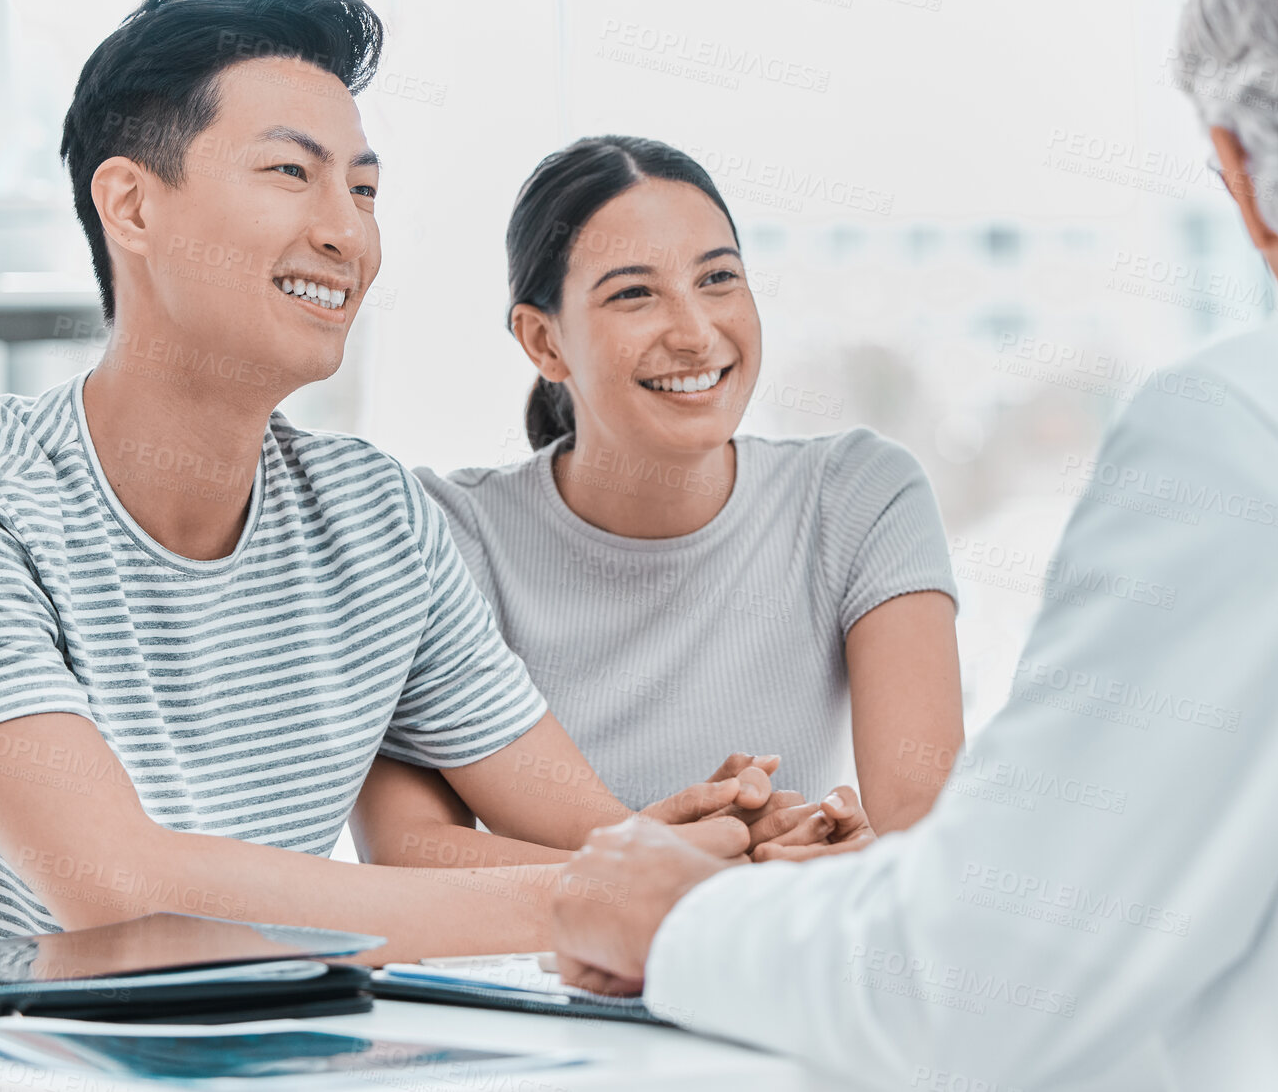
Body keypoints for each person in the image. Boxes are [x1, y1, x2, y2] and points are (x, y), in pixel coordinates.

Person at [549, 0, 1278, 1086]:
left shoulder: (1269, 425)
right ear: (538, 340)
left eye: (719, 276)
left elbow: (984, 976)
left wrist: (675, 916)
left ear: (1242, 171)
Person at [0, 0, 782, 963]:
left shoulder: (376, 519)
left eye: (363, 190)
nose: (347, 232)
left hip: (244, 1051)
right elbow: (116, 888)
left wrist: (746, 857)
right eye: (291, 172)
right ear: (131, 205)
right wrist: (595, 898)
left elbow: (587, 834)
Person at [353, 136, 963, 870]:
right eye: (635, 293)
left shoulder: (860, 494)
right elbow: (407, 855)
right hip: (532, 973)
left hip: (769, 962)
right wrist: (693, 872)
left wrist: (808, 869)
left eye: (718, 279)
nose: (696, 333)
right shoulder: (445, 531)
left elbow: (928, 846)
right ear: (544, 342)